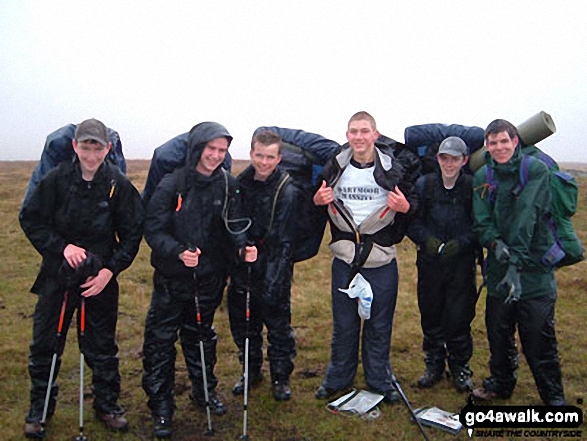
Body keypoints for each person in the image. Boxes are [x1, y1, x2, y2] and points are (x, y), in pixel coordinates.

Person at [19, 118, 144, 438]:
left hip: (99, 279)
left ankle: (106, 404)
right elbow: (31, 219)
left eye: (97, 148)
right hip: (57, 276)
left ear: (108, 148)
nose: (91, 155)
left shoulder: (118, 183)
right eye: (85, 147)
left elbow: (131, 235)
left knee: (101, 346)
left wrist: (109, 271)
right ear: (75, 146)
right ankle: (40, 409)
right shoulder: (56, 180)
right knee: (46, 343)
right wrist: (62, 248)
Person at [141, 121, 257, 438]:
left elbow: (234, 225)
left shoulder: (227, 183)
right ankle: (161, 407)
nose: (216, 155)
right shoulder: (171, 184)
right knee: (160, 342)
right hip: (172, 277)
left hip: (209, 278)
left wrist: (243, 247)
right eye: (211, 148)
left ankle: (204, 392)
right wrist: (177, 252)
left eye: (222, 150)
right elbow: (153, 228)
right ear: (198, 148)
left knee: (202, 337)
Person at [312, 111, 416, 403]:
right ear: (347, 136)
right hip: (345, 258)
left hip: (381, 258)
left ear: (375, 134)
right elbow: (317, 200)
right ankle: (337, 379)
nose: (359, 137)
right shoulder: (334, 167)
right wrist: (316, 201)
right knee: (344, 324)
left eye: (364, 131)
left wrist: (405, 206)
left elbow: (414, 206)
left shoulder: (394, 168)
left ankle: (380, 380)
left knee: (379, 324)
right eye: (353, 132)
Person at [471, 119, 566, 406]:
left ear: (516, 142)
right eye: (493, 142)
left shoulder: (535, 170)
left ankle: (553, 398)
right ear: (487, 145)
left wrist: (516, 263)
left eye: (504, 141)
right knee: (498, 332)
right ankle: (500, 384)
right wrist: (494, 243)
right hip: (500, 271)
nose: (499, 147)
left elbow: (527, 216)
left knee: (538, 338)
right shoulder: (482, 176)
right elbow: (482, 220)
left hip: (535, 270)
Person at [227, 131, 298, 402]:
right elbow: (233, 223)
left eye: (270, 157)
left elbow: (285, 239)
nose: (264, 162)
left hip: (275, 266)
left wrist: (274, 279)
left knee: (278, 326)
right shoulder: (239, 184)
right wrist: (241, 247)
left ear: (278, 157)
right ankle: (250, 371)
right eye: (260, 155)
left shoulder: (287, 190)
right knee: (244, 324)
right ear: (251, 153)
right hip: (243, 266)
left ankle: (281, 376)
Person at [407, 136, 479, 392]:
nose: (449, 164)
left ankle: (460, 367)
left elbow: (479, 225)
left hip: (461, 265)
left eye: (455, 159)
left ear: (464, 160)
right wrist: (427, 241)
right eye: (444, 158)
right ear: (437, 159)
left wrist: (462, 244)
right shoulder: (424, 185)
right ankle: (434, 365)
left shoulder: (471, 187)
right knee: (431, 315)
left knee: (459, 318)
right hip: (429, 265)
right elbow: (412, 221)